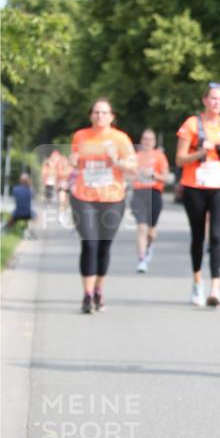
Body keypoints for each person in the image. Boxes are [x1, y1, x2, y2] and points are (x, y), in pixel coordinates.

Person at [69, 97, 136, 314]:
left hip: (112, 198)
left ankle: (98, 289)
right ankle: (87, 295)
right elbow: (75, 163)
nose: (100, 116)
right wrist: (73, 161)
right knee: (89, 244)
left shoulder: (120, 138)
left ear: (112, 116)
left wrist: (116, 161)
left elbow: (133, 169)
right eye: (96, 112)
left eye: (104, 113)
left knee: (104, 246)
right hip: (84, 196)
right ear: (90, 116)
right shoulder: (81, 136)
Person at [175, 84, 220, 307]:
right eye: (212, 98)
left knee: (216, 236)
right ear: (204, 100)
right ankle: (196, 284)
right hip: (195, 186)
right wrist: (201, 151)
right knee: (198, 236)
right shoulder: (192, 124)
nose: (216, 103)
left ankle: (215, 288)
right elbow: (180, 159)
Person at [131, 129, 169, 272]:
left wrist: (153, 175)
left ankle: (149, 247)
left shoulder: (159, 156)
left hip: (154, 193)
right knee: (141, 227)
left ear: (154, 142)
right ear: (141, 140)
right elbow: (128, 175)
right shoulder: (135, 157)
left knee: (151, 231)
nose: (147, 142)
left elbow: (165, 177)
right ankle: (141, 260)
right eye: (145, 139)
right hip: (139, 193)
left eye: (150, 139)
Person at [41, 149, 71, 224]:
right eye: (53, 156)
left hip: (68, 183)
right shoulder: (50, 163)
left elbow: (71, 171)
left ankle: (64, 213)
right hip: (60, 183)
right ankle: (61, 216)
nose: (54, 158)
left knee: (66, 201)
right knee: (62, 200)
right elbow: (47, 172)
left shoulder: (65, 161)